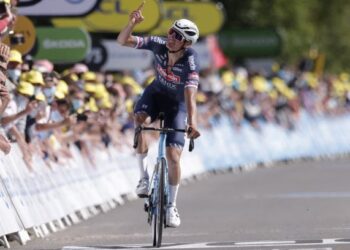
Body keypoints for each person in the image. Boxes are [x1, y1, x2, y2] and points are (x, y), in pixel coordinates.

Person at [117, 2, 201, 228]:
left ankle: (172, 206)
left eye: (177, 35)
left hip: (177, 106)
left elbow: (190, 95)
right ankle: (144, 179)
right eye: (171, 31)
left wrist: (192, 123)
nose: (170, 36)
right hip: (154, 96)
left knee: (173, 156)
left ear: (186, 43)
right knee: (140, 121)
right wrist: (131, 24)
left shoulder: (190, 61)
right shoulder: (159, 44)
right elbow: (122, 40)